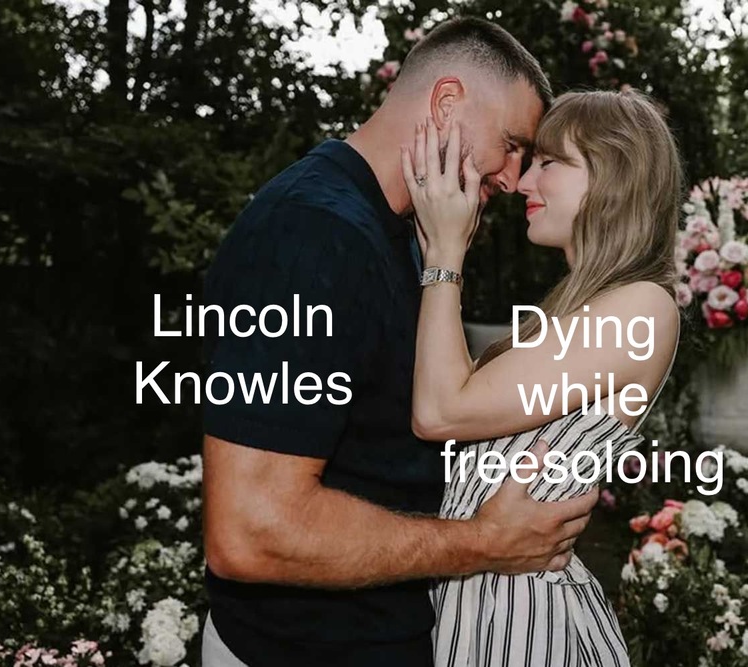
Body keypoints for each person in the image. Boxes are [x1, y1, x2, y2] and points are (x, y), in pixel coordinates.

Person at [199, 17, 599, 667]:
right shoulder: (313, 233)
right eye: (512, 145)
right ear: (446, 102)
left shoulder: (401, 232)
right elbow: (250, 530)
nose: (513, 177)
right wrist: (485, 541)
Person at [401, 89, 683, 666]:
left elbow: (440, 411)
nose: (524, 182)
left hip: (520, 618)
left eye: (549, 162)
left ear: (612, 175)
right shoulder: (580, 308)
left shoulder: (644, 306)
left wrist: (446, 256)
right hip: (483, 597)